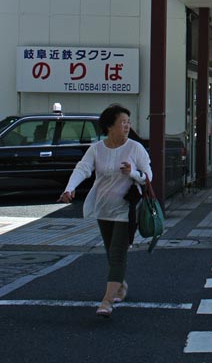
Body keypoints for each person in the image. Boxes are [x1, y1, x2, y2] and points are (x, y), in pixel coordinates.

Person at [58, 104, 152, 318]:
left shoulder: (135, 148)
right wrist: (69, 188)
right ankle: (121, 285)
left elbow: (148, 176)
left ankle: (107, 302)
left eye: (129, 122)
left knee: (118, 252)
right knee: (111, 252)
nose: (127, 126)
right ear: (110, 126)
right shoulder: (97, 148)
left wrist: (133, 172)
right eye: (123, 122)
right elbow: (83, 168)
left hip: (126, 210)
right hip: (103, 208)